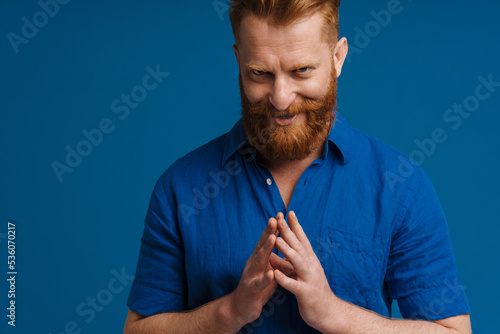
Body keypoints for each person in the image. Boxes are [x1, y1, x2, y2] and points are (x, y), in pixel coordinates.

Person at [123, 0, 471, 333]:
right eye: (259, 73)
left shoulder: (401, 187)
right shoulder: (180, 188)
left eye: (301, 71)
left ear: (337, 58)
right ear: (238, 60)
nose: (281, 98)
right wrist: (231, 311)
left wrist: (335, 314)